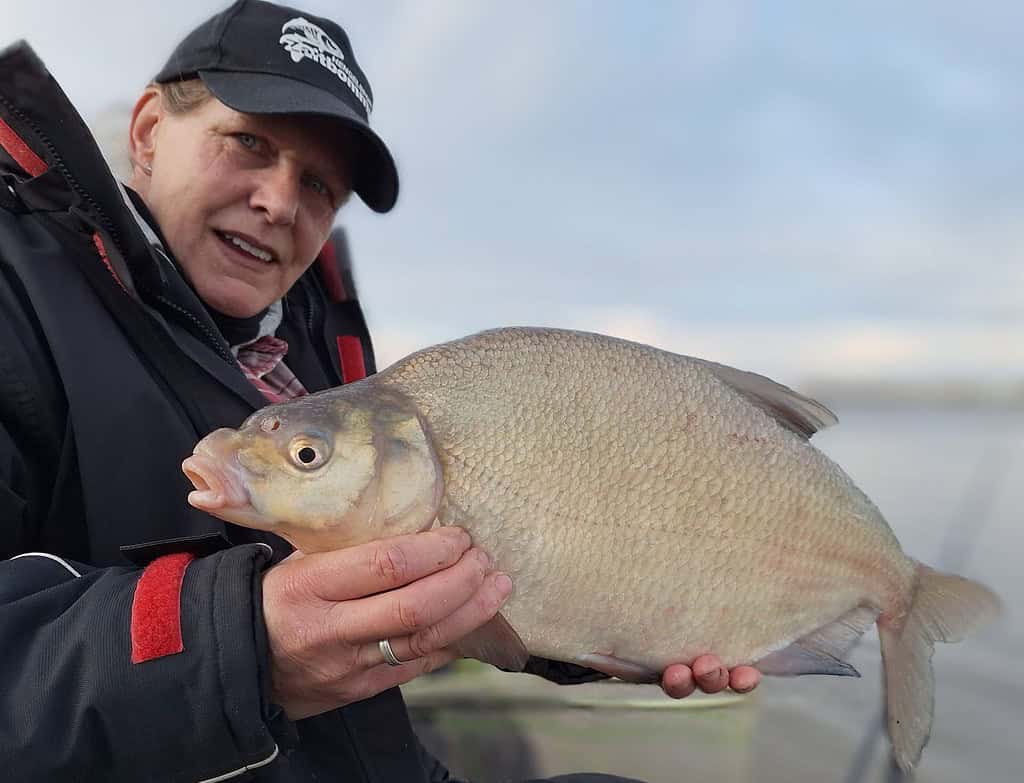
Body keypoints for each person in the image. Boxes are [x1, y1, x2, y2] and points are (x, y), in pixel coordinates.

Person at [0, 1, 760, 780]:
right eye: (249, 142)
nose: (281, 202)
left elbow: (472, 565)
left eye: (321, 186)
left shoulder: (315, 348)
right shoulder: (16, 287)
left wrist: (619, 622)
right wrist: (249, 649)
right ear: (150, 130)